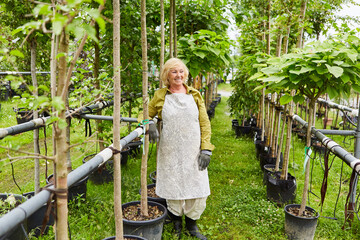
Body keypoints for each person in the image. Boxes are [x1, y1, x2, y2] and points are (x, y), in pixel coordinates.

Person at [147, 58, 214, 240]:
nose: (179, 75)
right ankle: (176, 220)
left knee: (198, 186)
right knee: (173, 184)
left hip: (193, 149)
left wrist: (206, 148)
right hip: (170, 149)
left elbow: (204, 123)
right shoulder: (160, 95)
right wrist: (148, 123)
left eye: (181, 71)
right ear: (166, 75)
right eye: (174, 72)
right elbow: (145, 113)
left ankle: (192, 224)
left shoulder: (195, 94)